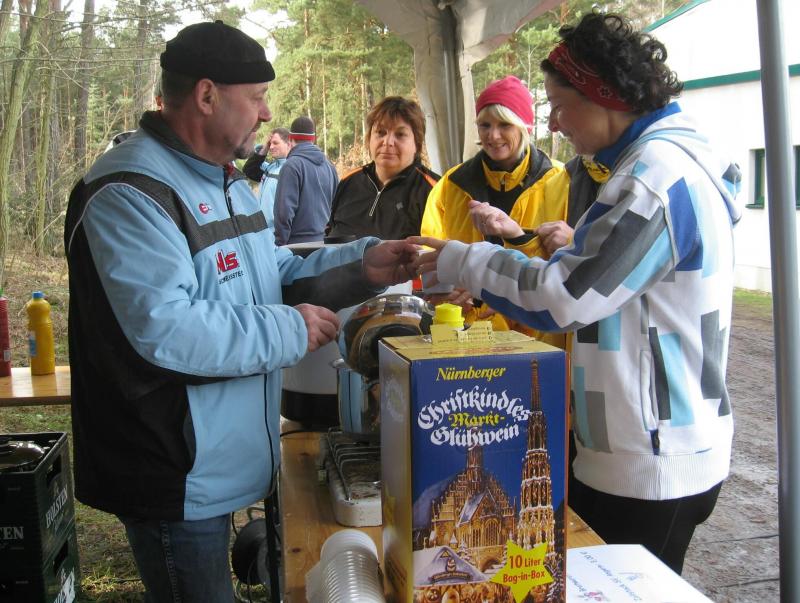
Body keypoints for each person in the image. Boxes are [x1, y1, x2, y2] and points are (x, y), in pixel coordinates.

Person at [64, 20, 419, 602]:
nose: (266, 113)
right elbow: (165, 330)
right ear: (207, 96)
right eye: (256, 97)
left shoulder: (226, 181)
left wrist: (364, 265)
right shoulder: (129, 191)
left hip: (220, 461)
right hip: (172, 472)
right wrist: (289, 328)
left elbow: (270, 274)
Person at [411, 11, 741, 574]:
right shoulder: (666, 163)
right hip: (655, 444)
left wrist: (463, 258)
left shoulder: (652, 178)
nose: (556, 124)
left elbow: (564, 297)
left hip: (649, 456)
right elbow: (592, 278)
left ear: (604, 95)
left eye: (561, 106)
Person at [420, 75, 569, 349]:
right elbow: (432, 257)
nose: (493, 135)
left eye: (504, 125)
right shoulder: (450, 186)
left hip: (539, 336)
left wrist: (491, 289)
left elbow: (570, 267)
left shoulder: (562, 181)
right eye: (485, 125)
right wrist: (448, 290)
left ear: (524, 126)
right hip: (468, 335)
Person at [326, 96, 439, 240]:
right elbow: (330, 236)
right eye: (380, 132)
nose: (388, 142)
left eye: (400, 134)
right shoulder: (349, 182)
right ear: (369, 139)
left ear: (417, 143)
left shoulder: (434, 191)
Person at [273, 115, 338, 245]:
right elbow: (338, 207)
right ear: (313, 139)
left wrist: (280, 244)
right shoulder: (329, 166)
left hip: (296, 246)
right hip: (323, 244)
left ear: (291, 139)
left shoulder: (291, 166)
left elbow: (283, 213)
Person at [242, 126, 291, 225]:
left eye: (275, 143)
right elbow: (249, 169)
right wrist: (265, 147)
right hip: (263, 229)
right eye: (270, 143)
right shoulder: (271, 167)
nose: (271, 147)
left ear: (288, 144)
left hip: (276, 232)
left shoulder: (291, 171)